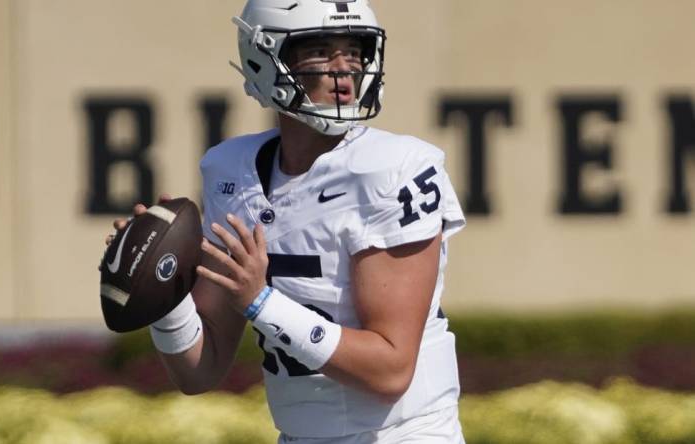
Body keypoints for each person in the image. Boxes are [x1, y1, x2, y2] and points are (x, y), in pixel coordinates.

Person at [108, 1, 466, 442]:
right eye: (320, 50)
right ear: (265, 57)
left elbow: (390, 370)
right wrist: (163, 294)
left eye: (354, 51)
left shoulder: (394, 169)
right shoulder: (232, 172)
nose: (344, 70)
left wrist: (261, 303)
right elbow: (200, 372)